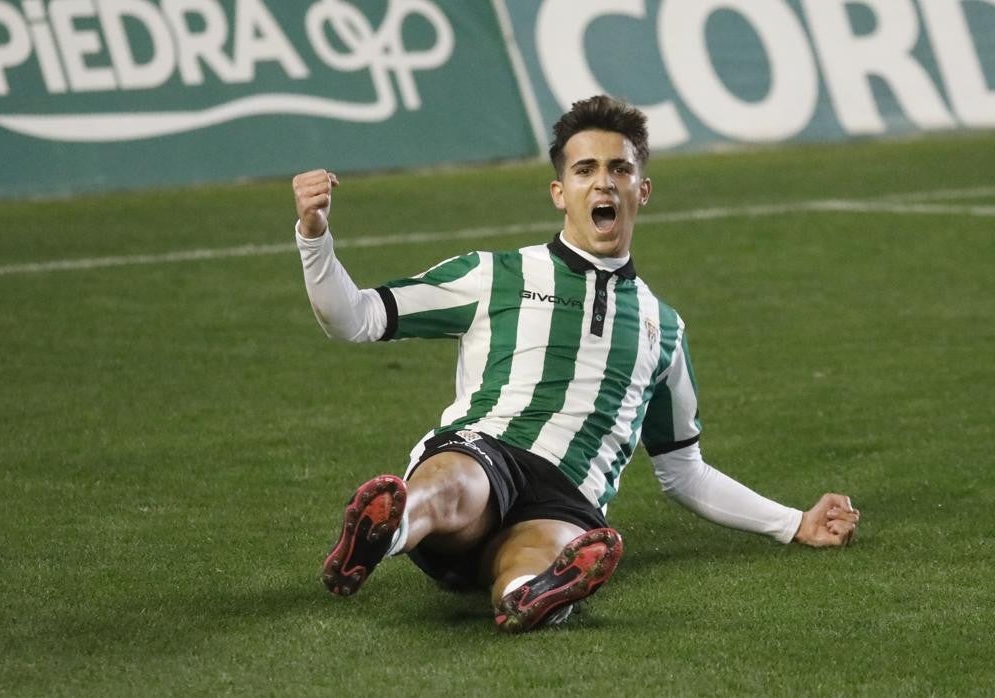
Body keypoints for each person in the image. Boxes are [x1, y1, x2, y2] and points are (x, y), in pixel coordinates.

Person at [291, 95, 860, 634]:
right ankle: (383, 531)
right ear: (560, 192)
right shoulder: (496, 275)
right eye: (586, 169)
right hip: (489, 453)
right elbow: (355, 317)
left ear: (643, 189)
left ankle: (530, 597)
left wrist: (793, 522)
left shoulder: (665, 328)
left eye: (620, 168)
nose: (604, 181)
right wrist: (315, 237)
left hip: (569, 498)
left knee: (541, 551)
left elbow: (684, 471)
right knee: (455, 483)